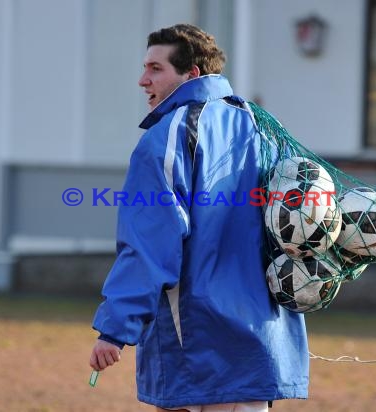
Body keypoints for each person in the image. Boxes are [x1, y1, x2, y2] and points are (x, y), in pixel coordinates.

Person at [89, 24, 309, 412]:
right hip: (263, 346)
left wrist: (115, 329)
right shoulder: (262, 127)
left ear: (192, 74)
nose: (143, 80)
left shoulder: (167, 136)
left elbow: (150, 244)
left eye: (156, 69)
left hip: (195, 344)